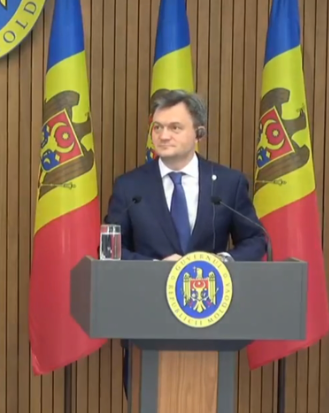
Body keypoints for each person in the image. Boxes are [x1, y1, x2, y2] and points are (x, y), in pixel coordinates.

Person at [104, 89, 267, 399]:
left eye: (175, 127)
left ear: (199, 133)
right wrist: (154, 268)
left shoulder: (228, 183)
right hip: (147, 319)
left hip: (212, 318)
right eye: (157, 127)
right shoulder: (129, 186)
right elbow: (110, 250)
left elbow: (256, 239)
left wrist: (221, 264)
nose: (163, 135)